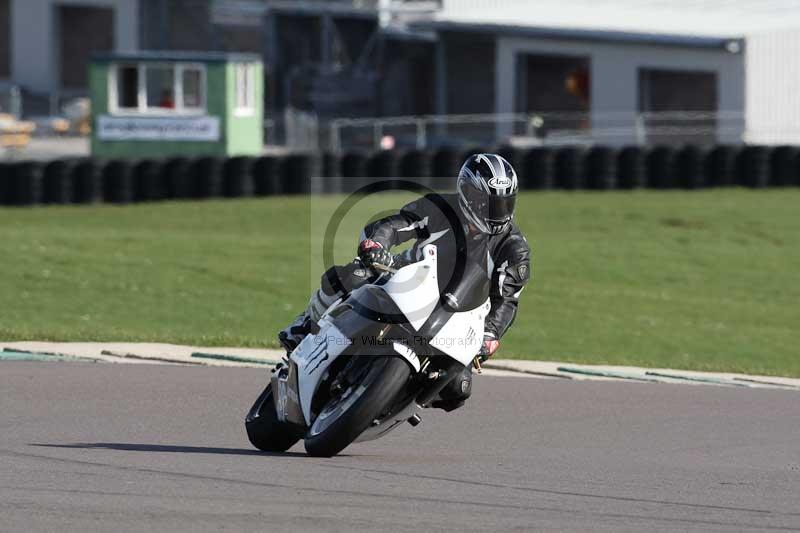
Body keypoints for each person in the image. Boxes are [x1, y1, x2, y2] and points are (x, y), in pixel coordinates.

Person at [279, 154, 532, 411]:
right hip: (408, 277)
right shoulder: (440, 208)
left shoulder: (514, 248)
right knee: (352, 276)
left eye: (503, 204)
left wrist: (490, 334)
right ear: (467, 194)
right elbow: (396, 225)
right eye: (487, 203)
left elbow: (507, 300)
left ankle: (398, 403)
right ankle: (305, 324)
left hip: (458, 314)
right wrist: (377, 245)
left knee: (458, 387)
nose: (496, 212)